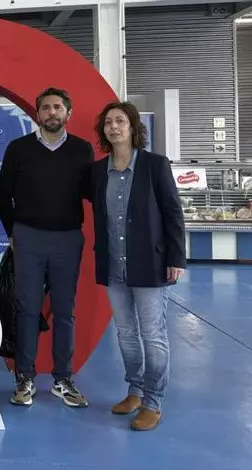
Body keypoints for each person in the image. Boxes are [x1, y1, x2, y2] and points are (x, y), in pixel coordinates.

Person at [88, 100, 185, 431]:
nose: (114, 127)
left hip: (151, 264)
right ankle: (135, 391)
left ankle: (153, 402)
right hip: (114, 265)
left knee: (153, 335)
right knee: (126, 334)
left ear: (132, 127)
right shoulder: (98, 171)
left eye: (120, 121)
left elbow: (172, 212)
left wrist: (176, 257)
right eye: (108, 122)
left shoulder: (155, 165)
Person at [0, 87, 95, 408]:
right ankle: (24, 378)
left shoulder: (82, 150)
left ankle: (63, 379)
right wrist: (12, 232)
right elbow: (2, 194)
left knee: (65, 311)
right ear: (37, 113)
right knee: (27, 309)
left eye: (58, 107)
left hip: (68, 238)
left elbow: (92, 192)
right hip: (29, 238)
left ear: (68, 113)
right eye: (46, 108)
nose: (52, 112)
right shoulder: (19, 148)